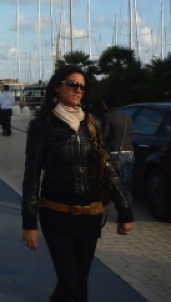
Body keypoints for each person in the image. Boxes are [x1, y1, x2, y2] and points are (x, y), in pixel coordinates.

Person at [22, 65, 134, 302]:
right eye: (73, 84)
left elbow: (107, 167)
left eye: (82, 86)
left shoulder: (92, 125)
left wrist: (124, 209)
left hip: (90, 214)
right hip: (56, 213)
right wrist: (29, 222)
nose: (79, 90)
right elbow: (31, 175)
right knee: (69, 283)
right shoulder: (42, 126)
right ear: (58, 87)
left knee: (81, 285)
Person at [102, 93, 134, 205]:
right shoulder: (127, 117)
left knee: (116, 186)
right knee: (127, 185)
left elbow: (104, 137)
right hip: (130, 153)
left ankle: (120, 209)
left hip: (115, 155)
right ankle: (128, 209)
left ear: (107, 104)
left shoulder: (108, 116)